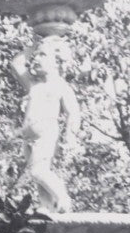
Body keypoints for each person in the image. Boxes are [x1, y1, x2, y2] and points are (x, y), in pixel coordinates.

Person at [11, 36, 81, 213]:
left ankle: (63, 197)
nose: (35, 59)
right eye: (35, 56)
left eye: (42, 55)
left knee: (38, 171)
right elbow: (16, 64)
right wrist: (34, 46)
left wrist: (70, 136)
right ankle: (47, 206)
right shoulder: (34, 84)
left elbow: (73, 112)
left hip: (47, 134)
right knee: (38, 174)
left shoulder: (60, 86)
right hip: (29, 137)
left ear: (57, 61)